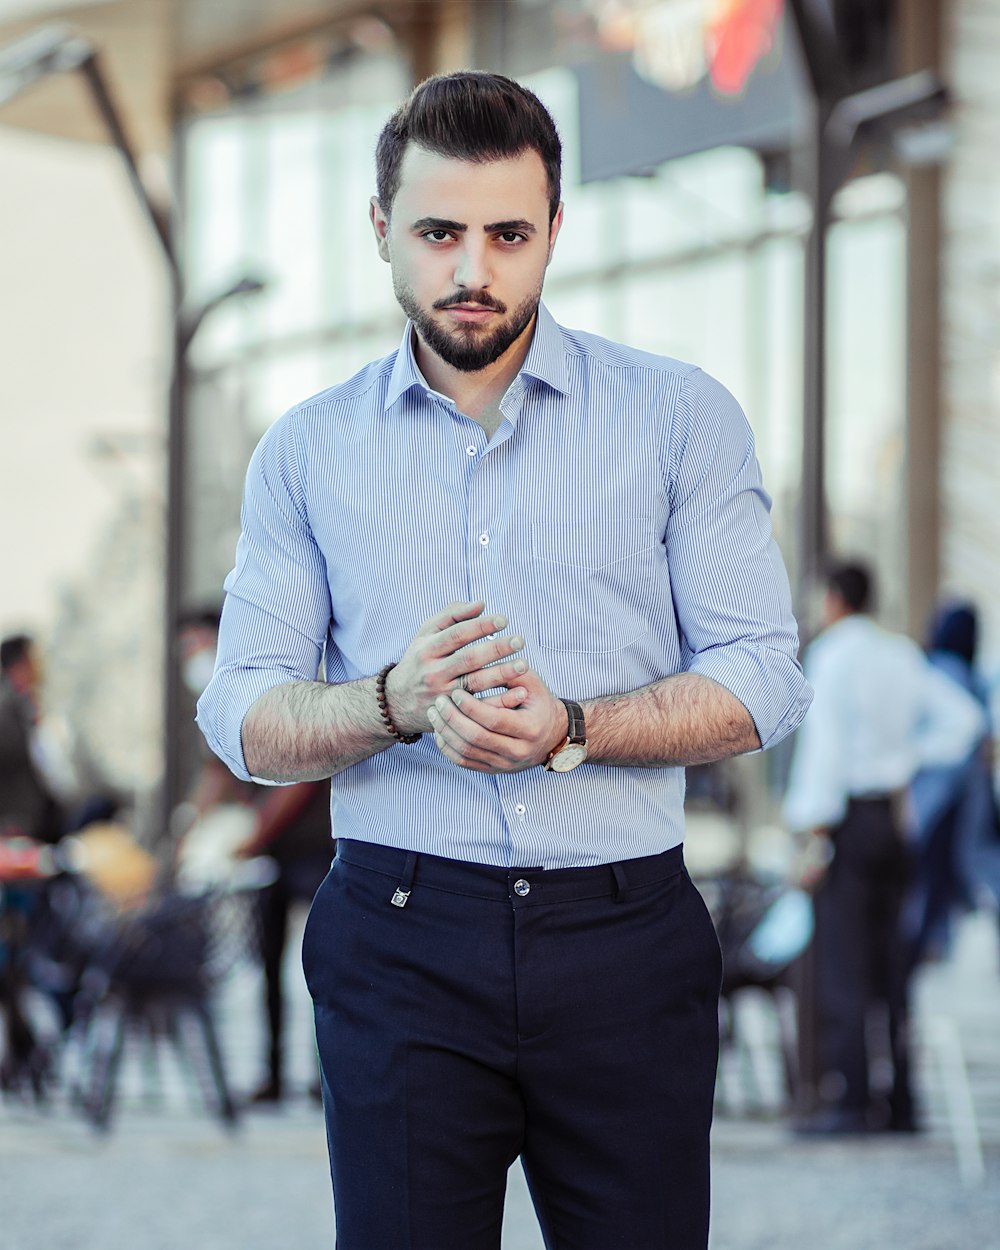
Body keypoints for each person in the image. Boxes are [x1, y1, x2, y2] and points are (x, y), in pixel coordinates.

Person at [197, 71, 811, 1250]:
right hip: (398, 932)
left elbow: (764, 674)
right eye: (437, 231)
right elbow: (240, 713)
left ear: (553, 233)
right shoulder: (307, 452)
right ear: (381, 229)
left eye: (506, 233)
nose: (472, 268)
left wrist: (574, 726)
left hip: (625, 935)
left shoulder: (678, 416)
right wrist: (391, 699)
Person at [783, 562, 984, 1136]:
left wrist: (812, 829)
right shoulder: (900, 654)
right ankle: (901, 1100)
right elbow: (965, 721)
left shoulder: (834, 655)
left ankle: (850, 1102)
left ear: (834, 599)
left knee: (842, 964)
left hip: (847, 819)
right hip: (893, 822)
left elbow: (824, 753)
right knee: (893, 965)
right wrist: (908, 765)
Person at [905, 601, 1000, 967]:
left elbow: (968, 727)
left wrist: (913, 756)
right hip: (966, 798)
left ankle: (924, 946)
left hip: (936, 798)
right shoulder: (974, 678)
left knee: (928, 882)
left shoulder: (937, 670)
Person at [0, 634, 63, 844]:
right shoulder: (6, 709)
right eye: (35, 658)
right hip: (18, 824)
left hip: (35, 818)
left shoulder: (24, 704)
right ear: (22, 663)